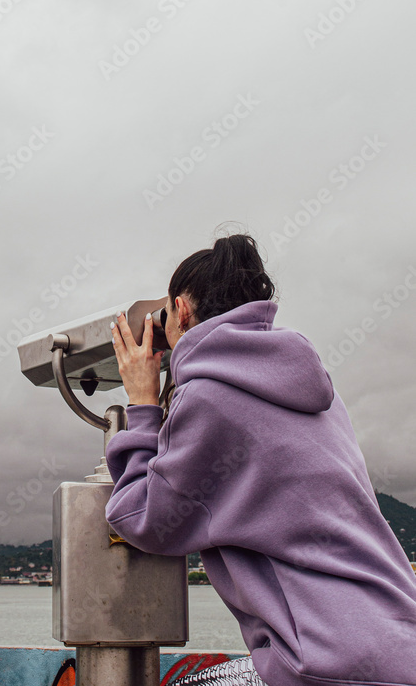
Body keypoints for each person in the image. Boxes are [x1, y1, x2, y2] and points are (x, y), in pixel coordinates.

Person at [105, 232, 416, 686]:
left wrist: (143, 403)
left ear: (183, 311)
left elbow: (143, 516)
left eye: (166, 315)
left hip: (324, 661)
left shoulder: (208, 399)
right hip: (401, 641)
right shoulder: (320, 392)